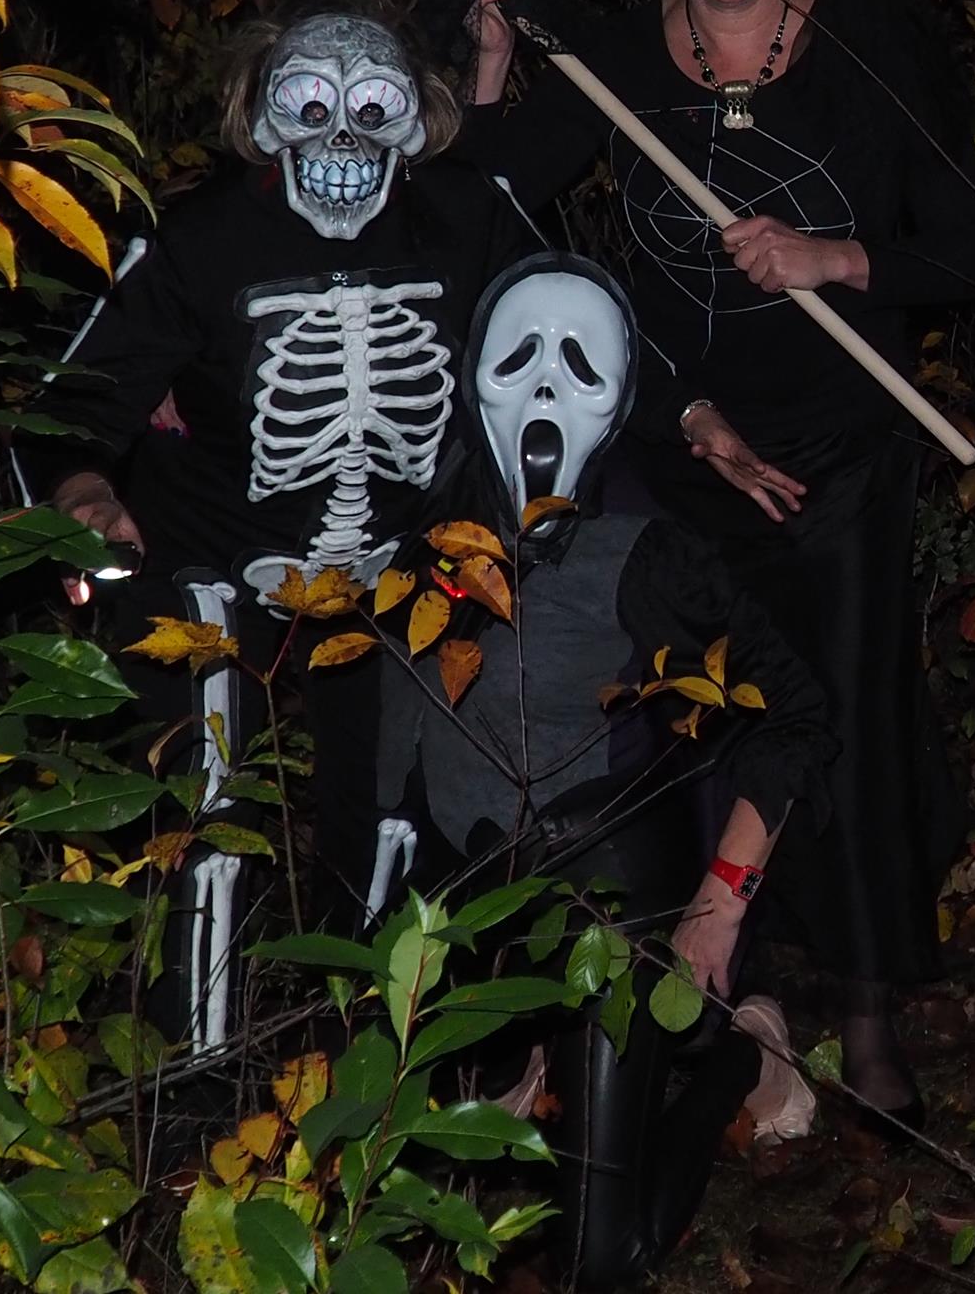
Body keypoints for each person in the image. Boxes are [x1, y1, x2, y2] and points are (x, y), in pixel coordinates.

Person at [462, 0, 975, 1123]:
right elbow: (491, 223)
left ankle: (870, 1012)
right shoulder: (617, 64)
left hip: (843, 452)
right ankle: (717, 993)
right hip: (678, 446)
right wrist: (497, 64)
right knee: (690, 715)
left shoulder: (867, 56)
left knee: (851, 710)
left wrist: (834, 258)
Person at [376, 251, 836, 1285]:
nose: (545, 388)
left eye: (582, 366)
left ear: (622, 403)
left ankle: (734, 1057)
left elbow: (796, 713)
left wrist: (719, 905)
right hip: (475, 908)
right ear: (472, 375)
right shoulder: (427, 547)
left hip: (606, 906)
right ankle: (526, 1054)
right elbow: (397, 753)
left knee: (599, 1259)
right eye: (520, 357)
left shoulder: (651, 556)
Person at [36, 0, 513, 919]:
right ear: (262, 118)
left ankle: (369, 997)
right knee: (200, 808)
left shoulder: (468, 219)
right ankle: (190, 1004)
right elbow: (75, 400)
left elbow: (563, 327)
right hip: (219, 554)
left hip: (397, 569)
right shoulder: (200, 238)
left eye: (372, 108)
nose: (342, 137)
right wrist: (85, 489)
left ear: (416, 121)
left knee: (392, 822)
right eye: (310, 105)